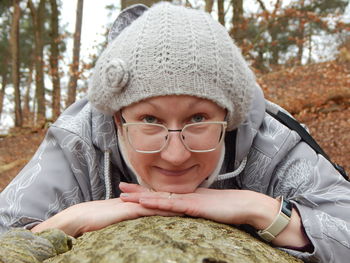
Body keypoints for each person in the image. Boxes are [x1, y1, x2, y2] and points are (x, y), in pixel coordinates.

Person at [0, 3, 349, 262]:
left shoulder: (270, 140)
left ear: (229, 117)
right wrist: (68, 221)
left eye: (199, 118)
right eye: (149, 120)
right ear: (117, 119)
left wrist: (265, 212)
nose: (176, 154)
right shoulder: (79, 143)